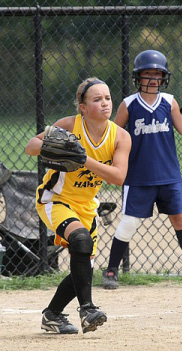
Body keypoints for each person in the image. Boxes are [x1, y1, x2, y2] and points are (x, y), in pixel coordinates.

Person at [25, 77, 131, 334]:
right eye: (97, 99)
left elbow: (118, 177)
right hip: (55, 199)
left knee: (83, 267)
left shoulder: (120, 136)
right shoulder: (70, 125)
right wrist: (54, 146)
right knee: (81, 240)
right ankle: (88, 309)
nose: (105, 103)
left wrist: (82, 159)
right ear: (82, 107)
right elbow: (31, 147)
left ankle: (52, 315)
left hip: (86, 206)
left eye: (107, 98)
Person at [102, 49, 182, 290]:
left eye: (157, 74)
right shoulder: (128, 105)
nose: (152, 79)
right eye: (147, 74)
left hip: (168, 175)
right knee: (129, 223)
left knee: (180, 219)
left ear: (164, 77)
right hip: (138, 176)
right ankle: (111, 270)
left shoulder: (169, 101)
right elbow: (112, 136)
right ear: (138, 77)